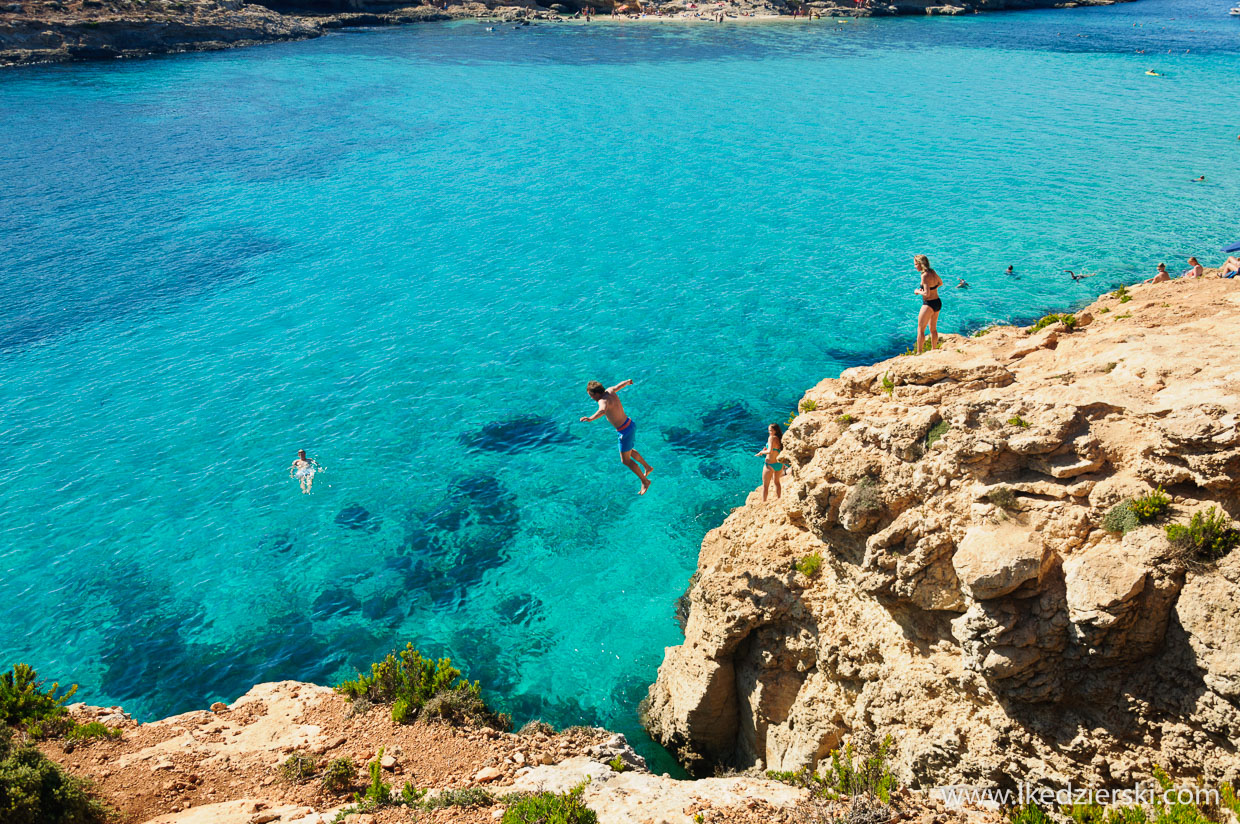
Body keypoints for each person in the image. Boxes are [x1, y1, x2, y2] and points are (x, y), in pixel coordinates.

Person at [580, 379, 653, 495]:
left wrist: (590, 418)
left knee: (625, 460)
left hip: (624, 432)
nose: (591, 398)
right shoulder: (610, 391)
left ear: (596, 394)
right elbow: (619, 385)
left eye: (591, 395)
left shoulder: (602, 401)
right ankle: (647, 467)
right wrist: (627, 382)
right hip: (630, 424)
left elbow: (602, 410)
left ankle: (645, 481)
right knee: (628, 451)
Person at [913, 254, 943, 354]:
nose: (915, 266)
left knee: (921, 330)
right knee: (933, 329)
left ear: (920, 264)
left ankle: (919, 353)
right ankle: (934, 349)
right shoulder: (932, 271)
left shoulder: (924, 275)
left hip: (928, 304)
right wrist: (932, 288)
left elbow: (927, 293)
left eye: (916, 264)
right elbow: (940, 283)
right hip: (937, 302)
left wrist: (918, 291)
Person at [755, 423, 785, 501]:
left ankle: (764, 502)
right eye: (769, 430)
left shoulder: (771, 438)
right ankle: (779, 498)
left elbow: (770, 451)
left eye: (771, 430)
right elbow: (776, 449)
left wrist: (761, 452)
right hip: (779, 464)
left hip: (770, 465)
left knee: (765, 486)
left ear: (775, 431)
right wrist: (766, 448)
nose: (769, 432)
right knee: (777, 482)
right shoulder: (780, 438)